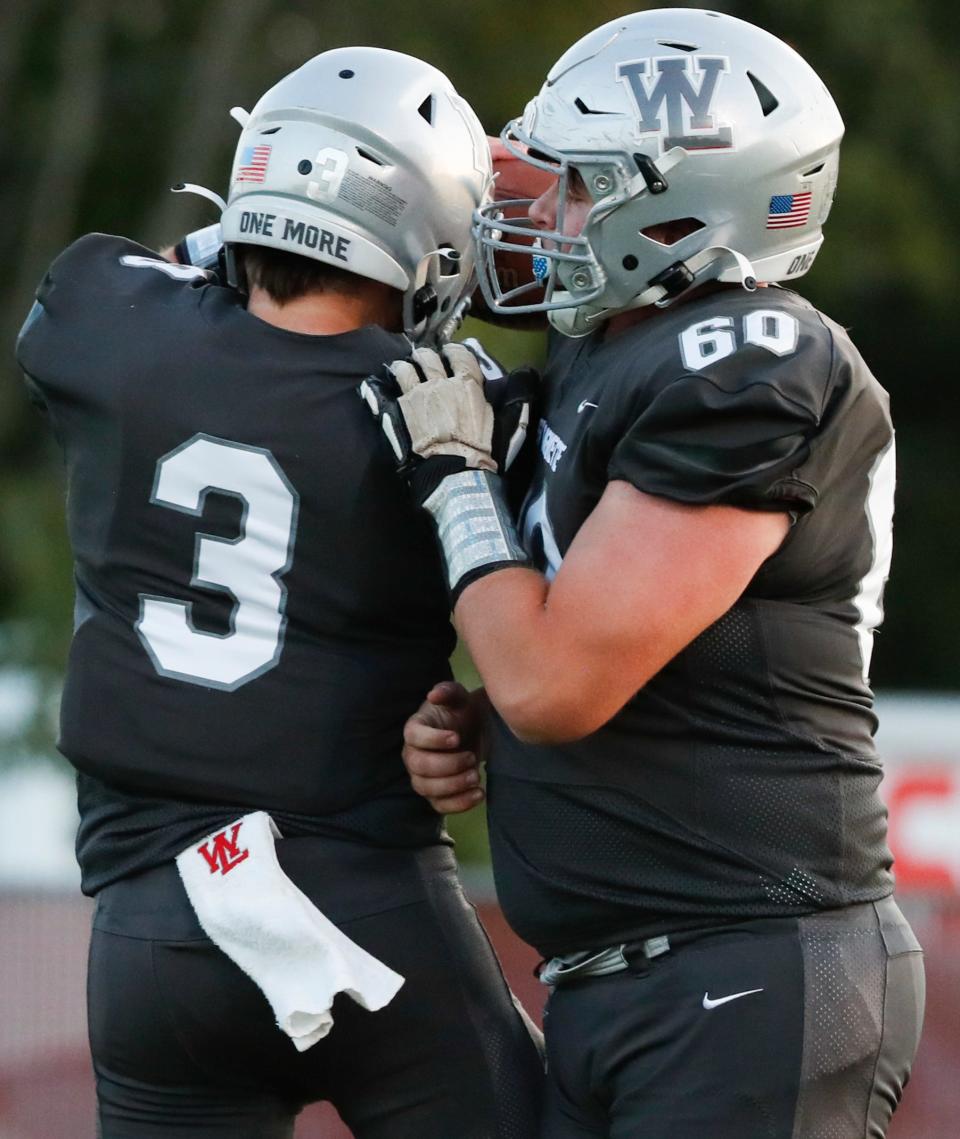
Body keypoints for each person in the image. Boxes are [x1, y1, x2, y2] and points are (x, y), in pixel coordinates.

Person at [365, 10, 926, 1138]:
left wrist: (456, 478)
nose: (535, 210)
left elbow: (559, 686)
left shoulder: (752, 358)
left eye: (578, 184)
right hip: (631, 980)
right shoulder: (602, 352)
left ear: (682, 207)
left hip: (749, 961)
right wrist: (486, 721)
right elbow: (589, 652)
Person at [15, 46, 544, 1139]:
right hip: (361, 898)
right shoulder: (453, 398)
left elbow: (154, 271)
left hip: (149, 928)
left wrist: (253, 234)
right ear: (426, 227)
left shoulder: (106, 321)